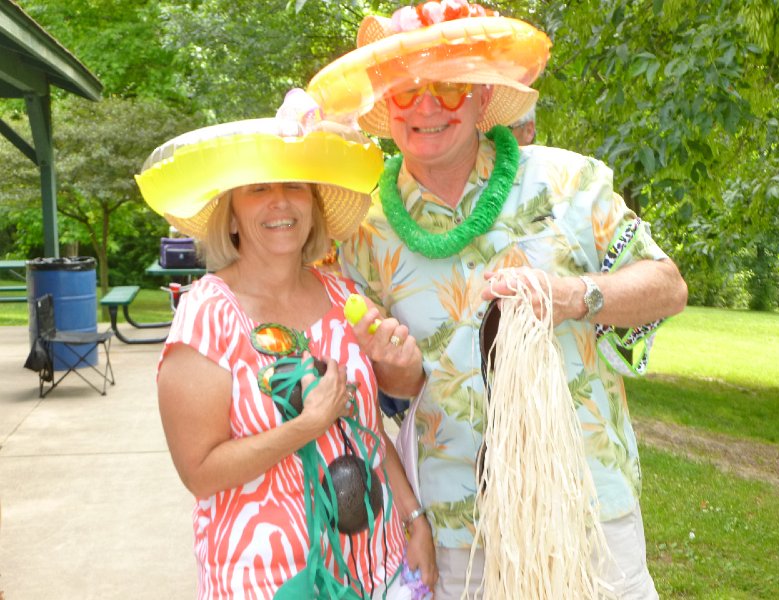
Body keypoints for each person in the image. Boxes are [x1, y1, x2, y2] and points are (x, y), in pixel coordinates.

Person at [307, 2, 688, 598]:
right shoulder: (361, 229)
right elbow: (357, 396)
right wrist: (397, 378)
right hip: (462, 530)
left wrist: (572, 295)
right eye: (408, 92)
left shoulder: (570, 183)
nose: (428, 106)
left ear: (485, 98)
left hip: (588, 506)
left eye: (451, 86)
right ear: (387, 109)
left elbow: (668, 285)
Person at [135, 90, 437, 599]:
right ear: (231, 215)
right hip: (267, 577)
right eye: (257, 189)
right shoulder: (207, 314)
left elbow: (367, 430)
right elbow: (201, 472)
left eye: (293, 186)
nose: (279, 201)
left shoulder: (344, 297)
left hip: (376, 568)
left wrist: (413, 518)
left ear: (312, 206)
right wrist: (306, 426)